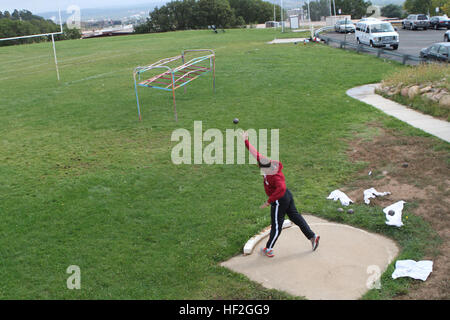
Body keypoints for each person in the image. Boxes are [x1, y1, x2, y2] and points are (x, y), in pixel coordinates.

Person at [241, 131, 320, 258]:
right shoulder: (266, 164)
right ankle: (312, 237)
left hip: (280, 199)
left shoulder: (275, 176)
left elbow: (281, 188)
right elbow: (255, 153)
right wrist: (246, 140)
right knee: (295, 217)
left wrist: (269, 201)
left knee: (276, 225)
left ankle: (269, 248)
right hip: (286, 196)